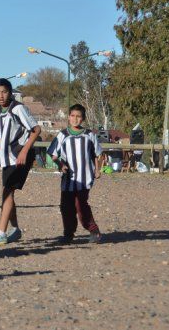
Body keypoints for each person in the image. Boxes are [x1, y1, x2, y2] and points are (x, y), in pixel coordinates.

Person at [0, 78, 41, 244]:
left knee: (7, 192)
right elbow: (3, 137)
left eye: (4, 92)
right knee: (7, 193)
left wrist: (24, 151)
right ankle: (15, 230)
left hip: (20, 157)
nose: (1, 96)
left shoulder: (18, 109)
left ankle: (0, 232)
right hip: (8, 159)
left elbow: (36, 130)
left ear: (10, 93)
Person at [47, 104, 104, 244]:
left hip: (85, 178)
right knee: (66, 206)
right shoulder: (63, 135)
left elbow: (97, 154)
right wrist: (60, 165)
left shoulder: (89, 135)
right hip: (68, 179)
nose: (75, 119)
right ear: (68, 117)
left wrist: (97, 169)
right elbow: (53, 154)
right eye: (72, 116)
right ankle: (68, 234)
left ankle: (94, 230)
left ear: (83, 119)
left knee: (81, 205)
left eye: (78, 116)